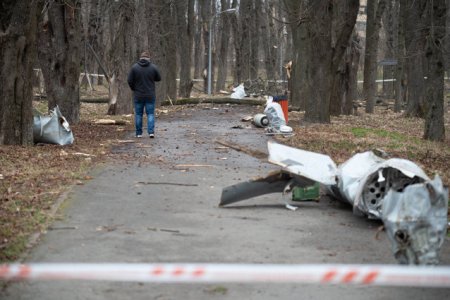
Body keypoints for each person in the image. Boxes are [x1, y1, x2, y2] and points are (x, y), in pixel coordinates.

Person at [127, 51, 161, 138]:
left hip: (138, 95)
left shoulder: (134, 68)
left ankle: (139, 133)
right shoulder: (153, 67)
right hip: (150, 95)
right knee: (150, 114)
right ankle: (151, 132)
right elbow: (158, 78)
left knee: (138, 114)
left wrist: (134, 88)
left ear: (140, 58)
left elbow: (129, 80)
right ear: (149, 58)